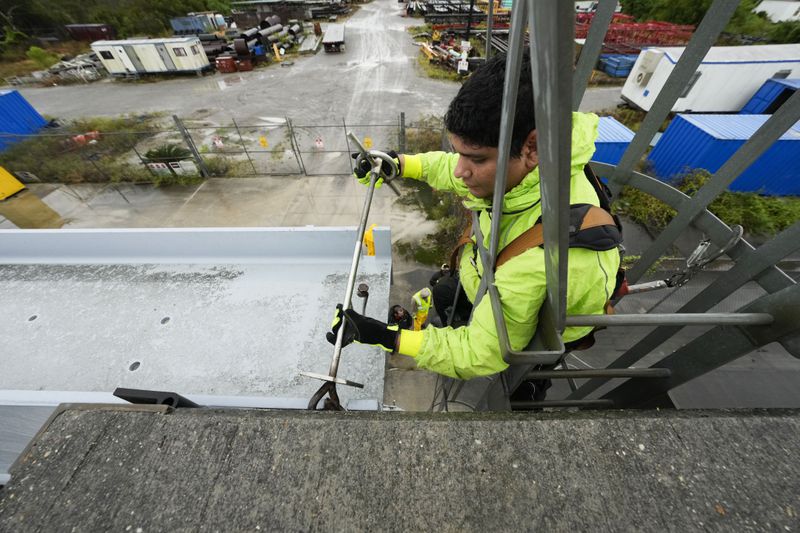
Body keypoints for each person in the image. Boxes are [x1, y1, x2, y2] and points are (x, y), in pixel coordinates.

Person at [328, 49, 621, 385]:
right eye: (459, 154)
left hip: (528, 341)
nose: (459, 170)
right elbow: (455, 169)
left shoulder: (547, 257)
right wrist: (398, 163)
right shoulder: (532, 169)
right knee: (443, 292)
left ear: (533, 147)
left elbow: (481, 352)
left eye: (476, 159)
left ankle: (528, 389)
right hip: (488, 280)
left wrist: (388, 337)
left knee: (515, 380)